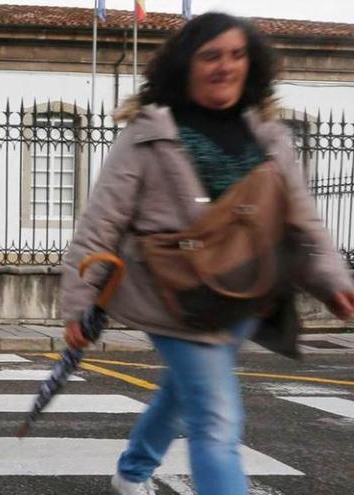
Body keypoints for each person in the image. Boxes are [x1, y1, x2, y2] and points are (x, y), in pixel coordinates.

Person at [61, 12, 354, 495]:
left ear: (252, 64)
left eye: (237, 54)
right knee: (216, 420)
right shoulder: (148, 132)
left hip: (242, 293)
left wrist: (332, 279)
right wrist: (79, 301)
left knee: (183, 393)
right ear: (186, 65)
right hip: (171, 296)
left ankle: (132, 470)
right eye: (211, 55)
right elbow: (101, 222)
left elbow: (302, 219)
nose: (225, 66)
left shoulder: (268, 137)